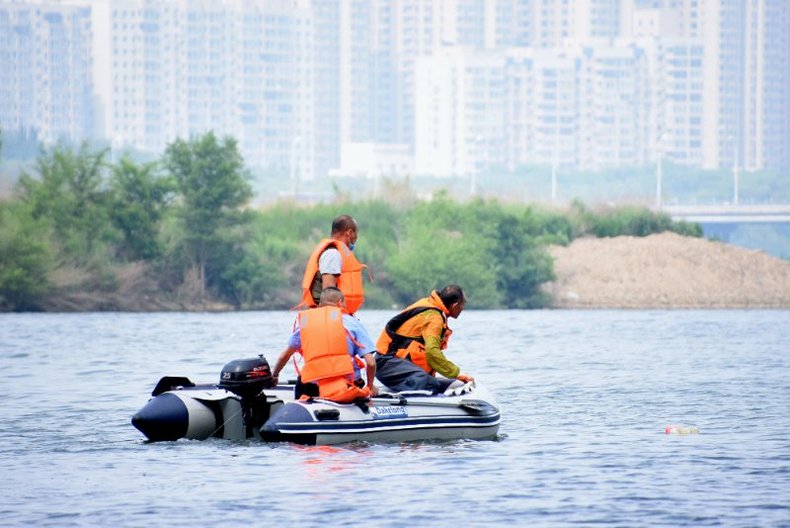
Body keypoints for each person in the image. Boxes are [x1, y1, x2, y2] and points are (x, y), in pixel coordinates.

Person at [272, 287, 378, 403]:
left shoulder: (306, 321)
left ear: (320, 304)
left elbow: (285, 355)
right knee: (368, 388)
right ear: (340, 302)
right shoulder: (352, 322)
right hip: (342, 388)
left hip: (309, 388)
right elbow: (371, 363)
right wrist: (370, 386)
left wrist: (275, 375)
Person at [374, 284, 474, 394]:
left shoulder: (431, 305)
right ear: (454, 305)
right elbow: (432, 352)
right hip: (387, 362)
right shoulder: (434, 318)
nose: (462, 309)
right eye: (462, 305)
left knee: (446, 383)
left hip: (395, 364)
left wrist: (455, 376)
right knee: (430, 384)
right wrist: (457, 373)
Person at [298, 214, 366, 315]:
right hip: (327, 316)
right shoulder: (333, 254)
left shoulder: (336, 253)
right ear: (350, 233)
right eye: (356, 235)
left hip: (337, 314)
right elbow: (328, 292)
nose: (356, 239)